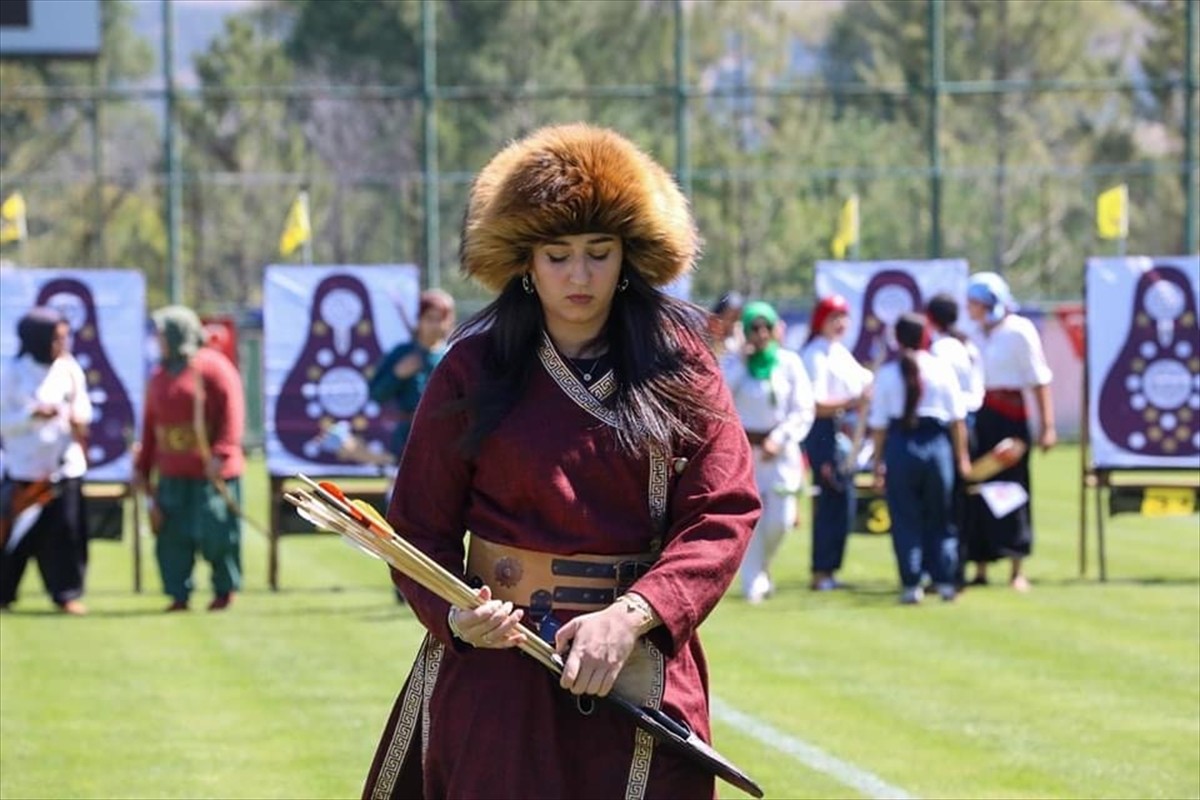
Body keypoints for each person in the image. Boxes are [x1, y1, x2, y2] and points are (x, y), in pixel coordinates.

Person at [361, 123, 761, 800]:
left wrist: (631, 616)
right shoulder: (473, 365)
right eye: (558, 255)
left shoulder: (682, 363)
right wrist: (456, 619)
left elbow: (722, 511)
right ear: (525, 261)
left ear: (628, 256)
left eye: (599, 253)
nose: (579, 276)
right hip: (499, 673)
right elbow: (416, 531)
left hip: (638, 665)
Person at [135, 306, 246, 612]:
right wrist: (143, 466)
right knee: (172, 537)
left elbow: (231, 414)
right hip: (172, 473)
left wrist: (222, 453)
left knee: (218, 534)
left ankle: (224, 590)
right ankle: (178, 594)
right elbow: (151, 424)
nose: (158, 341)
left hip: (210, 472)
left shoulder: (213, 367)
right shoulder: (159, 375)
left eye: (162, 334)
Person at [868, 313, 971, 604]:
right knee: (942, 516)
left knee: (905, 518)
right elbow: (957, 420)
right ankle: (945, 579)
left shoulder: (888, 373)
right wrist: (961, 457)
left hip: (901, 445)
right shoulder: (942, 369)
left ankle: (912, 583)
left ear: (897, 339)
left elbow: (879, 426)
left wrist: (878, 463)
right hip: (936, 444)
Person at [963, 272, 1056, 591]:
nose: (970, 308)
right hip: (979, 416)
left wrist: (1048, 427)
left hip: (1011, 416)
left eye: (975, 302)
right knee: (977, 486)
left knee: (1013, 489)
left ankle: (1016, 567)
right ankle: (980, 565)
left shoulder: (1019, 331)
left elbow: (1039, 379)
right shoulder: (970, 334)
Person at [0, 308, 92, 615]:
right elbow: (3, 421)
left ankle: (66, 594)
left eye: (65, 338)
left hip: (64, 469)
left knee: (65, 535)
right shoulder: (12, 372)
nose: (62, 345)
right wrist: (32, 416)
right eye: (56, 338)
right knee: (13, 538)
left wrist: (78, 420)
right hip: (24, 471)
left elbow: (83, 409)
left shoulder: (69, 369)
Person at [722, 300, 815, 603]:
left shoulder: (789, 363)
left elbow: (802, 409)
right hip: (745, 452)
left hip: (779, 452)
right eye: (754, 328)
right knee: (750, 519)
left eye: (766, 327)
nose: (761, 334)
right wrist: (743, 363)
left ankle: (762, 568)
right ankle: (753, 582)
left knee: (780, 521)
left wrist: (781, 437)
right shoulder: (735, 365)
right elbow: (720, 400)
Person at [800, 294, 873, 591]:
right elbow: (815, 404)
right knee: (830, 501)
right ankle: (821, 570)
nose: (841, 323)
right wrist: (853, 402)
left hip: (843, 432)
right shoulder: (815, 354)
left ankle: (831, 569)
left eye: (844, 317)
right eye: (834, 317)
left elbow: (863, 381)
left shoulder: (838, 352)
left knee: (844, 502)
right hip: (824, 433)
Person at [925, 292, 984, 587]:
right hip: (971, 420)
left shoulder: (940, 349)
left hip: (950, 425)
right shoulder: (966, 343)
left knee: (944, 504)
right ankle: (952, 570)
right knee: (958, 501)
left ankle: (947, 572)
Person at [368, 288, 456, 462]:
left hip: (447, 440)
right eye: (430, 319)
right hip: (407, 439)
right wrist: (397, 374)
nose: (435, 325)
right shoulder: (402, 353)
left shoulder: (453, 356)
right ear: (420, 320)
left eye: (441, 319)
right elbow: (376, 394)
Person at [707, 290, 745, 374]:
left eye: (737, 319)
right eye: (731, 318)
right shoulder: (701, 346)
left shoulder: (734, 348)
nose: (735, 324)